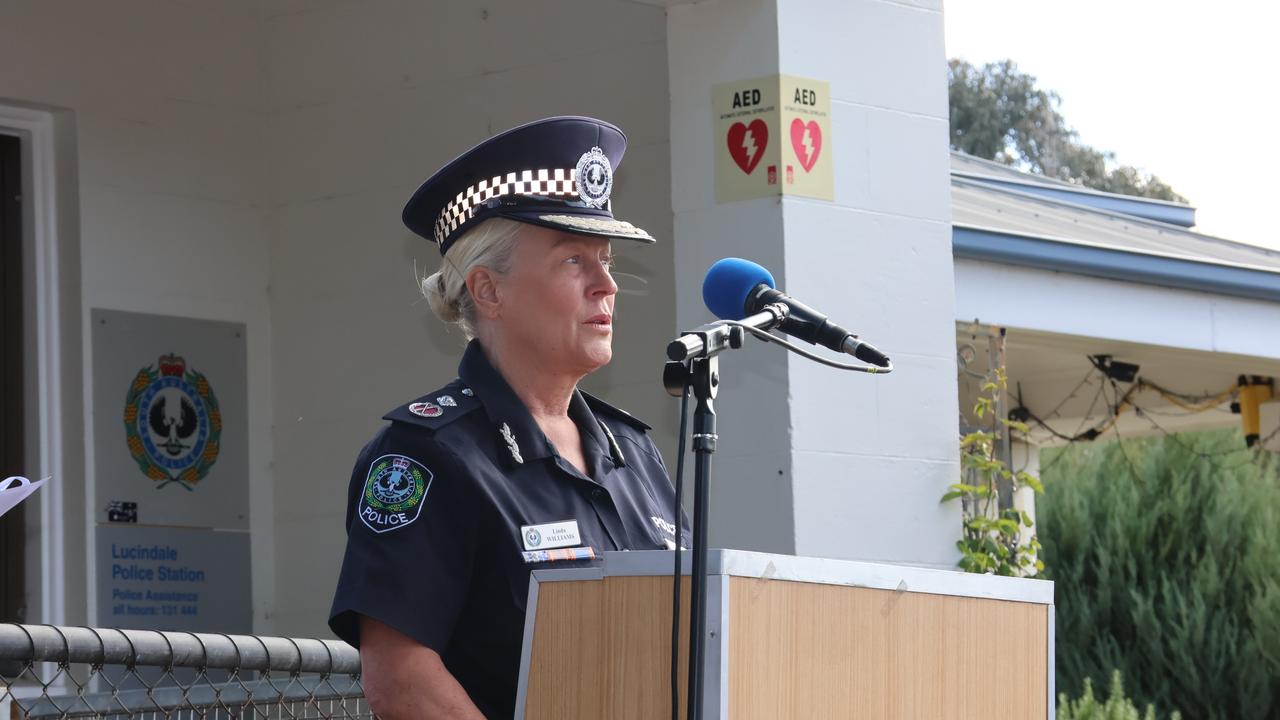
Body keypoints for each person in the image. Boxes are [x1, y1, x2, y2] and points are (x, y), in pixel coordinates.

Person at [328, 116, 689, 720]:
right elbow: (401, 680)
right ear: (489, 291)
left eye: (607, 261)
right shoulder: (428, 455)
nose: (606, 286)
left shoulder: (633, 452)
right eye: (575, 261)